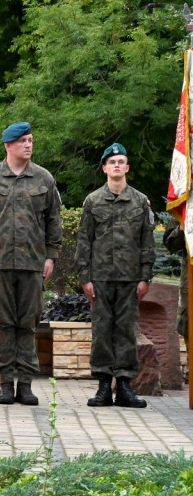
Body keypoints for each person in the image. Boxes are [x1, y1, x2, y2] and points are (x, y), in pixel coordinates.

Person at [0, 121, 62, 406]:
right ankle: (6, 383)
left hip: (33, 264)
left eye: (31, 140)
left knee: (28, 323)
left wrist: (50, 256)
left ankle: (26, 384)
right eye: (23, 141)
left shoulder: (44, 179)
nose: (29, 145)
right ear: (9, 145)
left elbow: (53, 220)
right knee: (3, 323)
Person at [76, 143, 154, 409]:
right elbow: (84, 241)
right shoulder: (93, 201)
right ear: (105, 168)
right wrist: (84, 277)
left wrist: (145, 277)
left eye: (122, 161)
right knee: (101, 332)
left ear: (127, 167)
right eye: (112, 162)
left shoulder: (140, 201)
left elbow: (147, 242)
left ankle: (124, 387)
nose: (117, 165)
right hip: (100, 278)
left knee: (126, 332)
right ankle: (102, 387)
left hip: (130, 278)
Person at [163, 217, 188, 344]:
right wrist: (182, 227)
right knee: (188, 322)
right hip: (191, 274)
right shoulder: (186, 202)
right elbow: (170, 244)